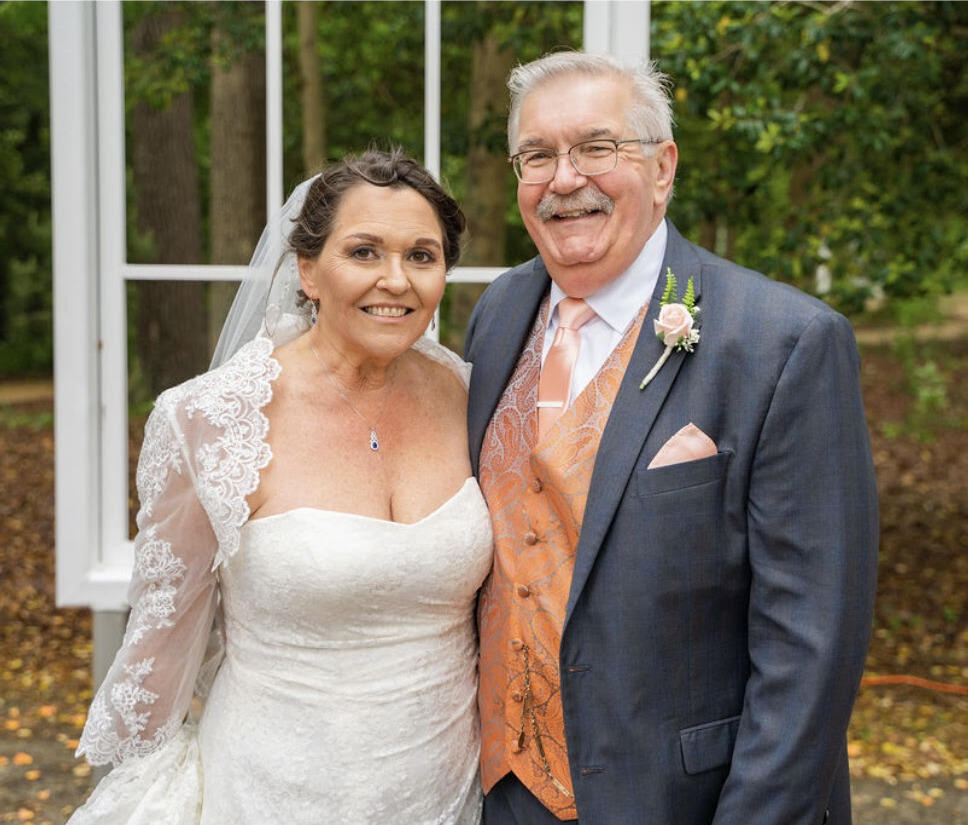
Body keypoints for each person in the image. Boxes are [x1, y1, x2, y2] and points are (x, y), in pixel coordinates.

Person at [465, 52, 878, 825]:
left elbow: (810, 651)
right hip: (503, 793)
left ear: (663, 167)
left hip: (683, 801)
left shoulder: (785, 343)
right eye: (538, 156)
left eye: (596, 148)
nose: (563, 179)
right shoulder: (498, 313)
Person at [68, 149, 493, 824]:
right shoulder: (206, 421)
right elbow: (162, 640)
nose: (396, 280)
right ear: (306, 270)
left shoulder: (472, 393)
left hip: (453, 793)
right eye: (363, 252)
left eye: (421, 255)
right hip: (273, 793)